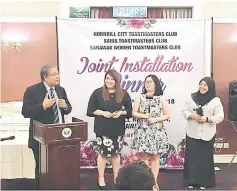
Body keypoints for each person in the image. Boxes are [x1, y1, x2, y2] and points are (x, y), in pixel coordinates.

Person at [21, 64, 72, 181]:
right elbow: (25, 112)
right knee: (42, 169)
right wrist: (42, 106)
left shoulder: (60, 90)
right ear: (45, 77)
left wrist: (65, 107)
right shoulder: (32, 90)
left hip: (60, 136)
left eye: (58, 74)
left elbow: (68, 109)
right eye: (54, 74)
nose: (57, 76)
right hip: (40, 138)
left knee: (58, 168)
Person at [87, 70, 132, 190]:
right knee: (102, 154)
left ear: (117, 81)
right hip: (102, 129)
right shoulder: (97, 93)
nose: (109, 81)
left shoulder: (124, 94)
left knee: (115, 154)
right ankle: (101, 178)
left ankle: (116, 177)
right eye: (107, 78)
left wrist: (121, 113)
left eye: (112, 79)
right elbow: (90, 110)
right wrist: (103, 113)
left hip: (117, 129)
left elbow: (129, 111)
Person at [182, 77, 224, 190]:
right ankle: (190, 180)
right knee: (192, 158)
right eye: (201, 84)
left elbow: (220, 116)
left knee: (204, 159)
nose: (202, 87)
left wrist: (207, 118)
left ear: (210, 87)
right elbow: (184, 110)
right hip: (192, 133)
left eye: (205, 85)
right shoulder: (192, 97)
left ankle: (204, 182)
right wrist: (191, 115)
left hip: (207, 134)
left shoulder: (216, 100)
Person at [131, 74, 170, 188]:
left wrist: (155, 119)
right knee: (143, 157)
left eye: (150, 82)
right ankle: (144, 181)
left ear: (156, 84)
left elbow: (167, 115)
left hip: (156, 131)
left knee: (155, 157)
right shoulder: (140, 97)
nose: (147, 84)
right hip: (143, 130)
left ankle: (154, 181)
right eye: (146, 82)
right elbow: (133, 112)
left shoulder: (161, 98)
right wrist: (144, 116)